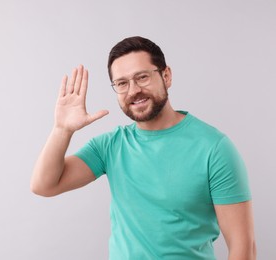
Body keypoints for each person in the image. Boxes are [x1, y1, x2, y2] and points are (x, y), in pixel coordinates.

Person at [31, 36, 256, 259]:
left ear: (166, 76)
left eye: (142, 77)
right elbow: (44, 185)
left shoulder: (214, 148)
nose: (133, 90)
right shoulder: (110, 146)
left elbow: (243, 248)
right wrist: (62, 129)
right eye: (122, 83)